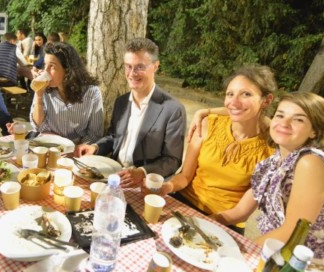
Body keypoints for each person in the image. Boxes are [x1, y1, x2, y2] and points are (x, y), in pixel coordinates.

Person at [212, 92, 324, 270]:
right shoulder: (273, 162)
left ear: (315, 131)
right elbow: (240, 211)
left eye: (298, 119)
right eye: (280, 115)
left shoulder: (310, 163)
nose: (284, 123)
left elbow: (291, 231)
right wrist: (195, 222)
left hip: (304, 264)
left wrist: (237, 255)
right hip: (278, 254)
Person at [159, 65, 275, 233]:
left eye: (246, 94)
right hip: (185, 204)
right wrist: (167, 187)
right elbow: (185, 176)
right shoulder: (208, 124)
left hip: (226, 221)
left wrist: (203, 225)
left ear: (266, 100)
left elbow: (241, 213)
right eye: (230, 94)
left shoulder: (272, 150)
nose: (234, 102)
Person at [76, 38, 186, 188]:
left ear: (155, 66)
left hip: (145, 185)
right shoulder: (121, 102)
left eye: (139, 67)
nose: (132, 74)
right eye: (128, 66)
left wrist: (142, 172)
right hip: (112, 177)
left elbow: (172, 160)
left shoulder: (173, 109)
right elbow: (114, 137)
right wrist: (95, 147)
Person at [27, 42, 103, 144]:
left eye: (52, 66)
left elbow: (95, 134)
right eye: (45, 65)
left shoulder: (92, 93)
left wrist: (75, 149)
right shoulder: (43, 89)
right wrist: (38, 96)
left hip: (78, 151)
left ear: (67, 70)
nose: (45, 71)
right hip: (51, 147)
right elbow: (38, 126)